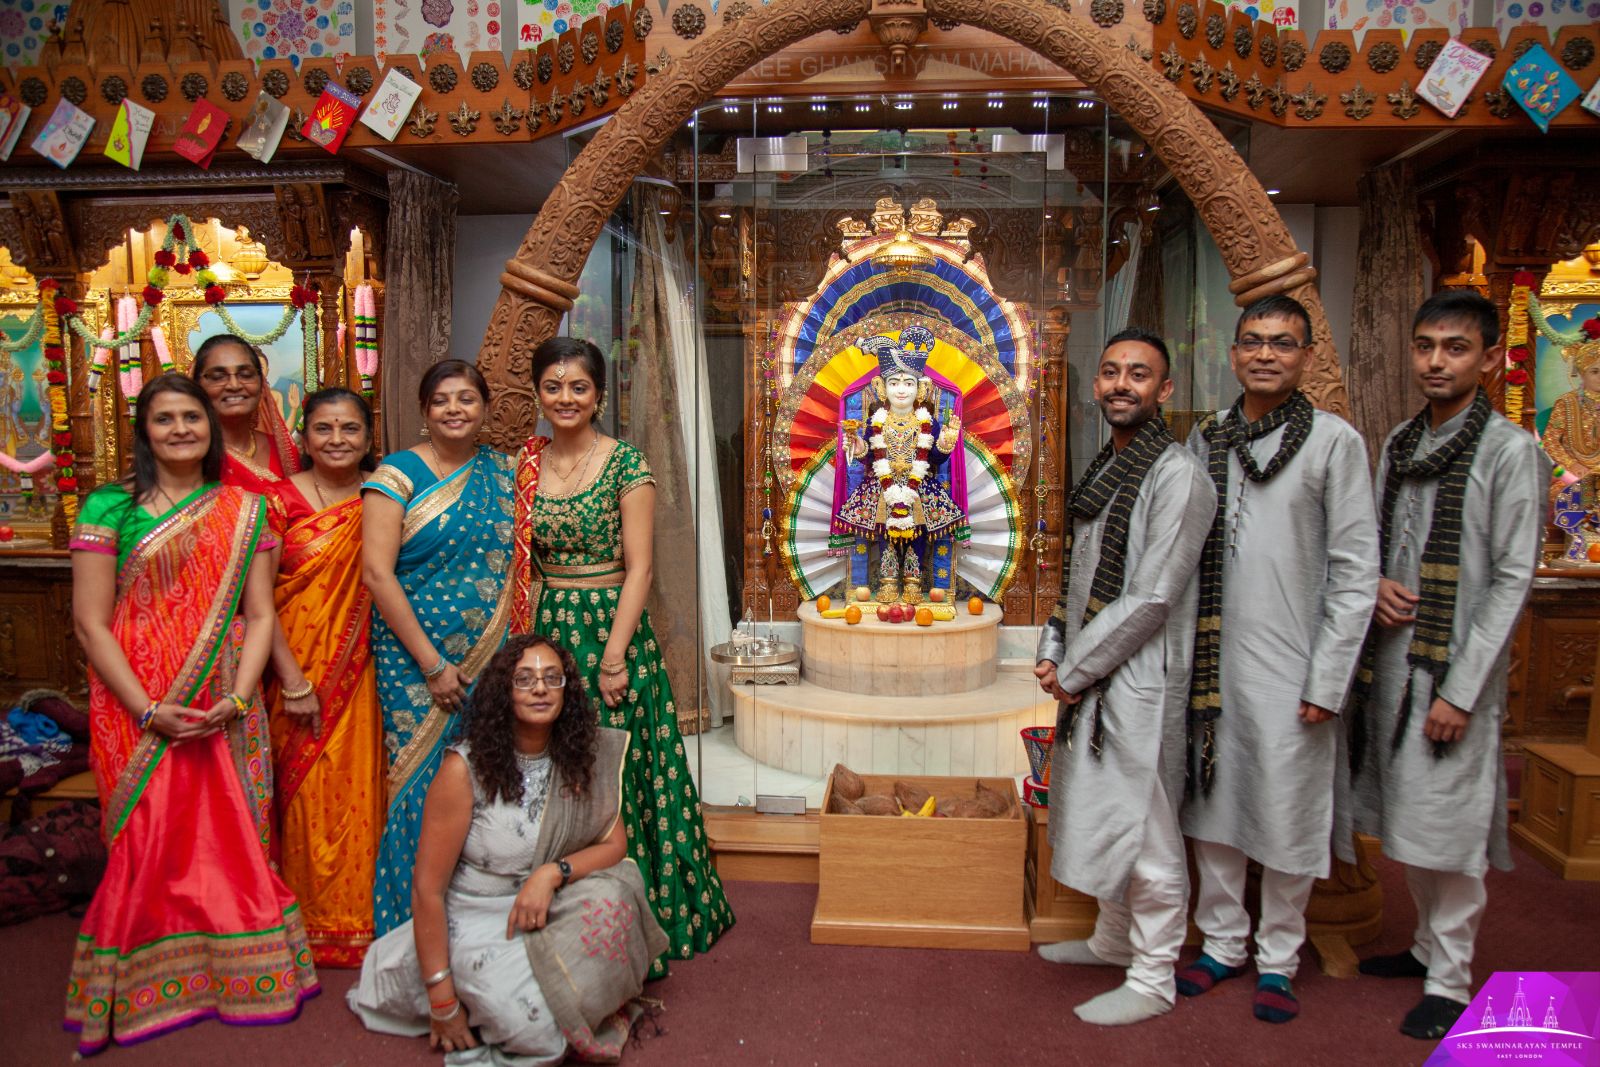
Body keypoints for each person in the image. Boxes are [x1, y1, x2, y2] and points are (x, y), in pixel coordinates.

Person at [64, 374, 317, 1053]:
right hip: (135, 700)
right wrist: (148, 710)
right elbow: (91, 625)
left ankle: (235, 975)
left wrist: (238, 697)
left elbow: (260, 612)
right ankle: (140, 982)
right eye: (165, 418)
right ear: (144, 430)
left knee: (231, 839)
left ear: (211, 430)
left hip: (224, 695)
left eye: (192, 418)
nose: (180, 428)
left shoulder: (246, 507)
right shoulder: (109, 507)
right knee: (147, 840)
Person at [1336, 292, 1549, 1039]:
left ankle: (1452, 980)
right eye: (1425, 345)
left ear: (1490, 357)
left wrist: (1461, 690)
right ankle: (1425, 947)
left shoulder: (1511, 452)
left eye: (1455, 348)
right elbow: (1380, 548)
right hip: (1393, 664)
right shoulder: (1399, 441)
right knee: (1412, 820)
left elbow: (1511, 579)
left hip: (1457, 674)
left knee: (1450, 829)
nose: (1435, 361)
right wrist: (1375, 587)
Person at [1177, 295, 1379, 1023]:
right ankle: (1223, 944)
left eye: (1283, 343)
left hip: (1297, 664)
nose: (1266, 354)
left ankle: (1280, 957)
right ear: (1232, 354)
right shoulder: (1207, 440)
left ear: (1307, 357)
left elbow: (1357, 571)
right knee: (1213, 805)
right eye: (1253, 341)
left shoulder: (1334, 443)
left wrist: (1330, 677)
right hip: (1211, 662)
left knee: (1290, 814)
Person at [509, 337, 732, 976]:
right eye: (553, 387)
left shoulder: (624, 465)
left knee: (625, 765)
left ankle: (643, 919)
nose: (566, 398)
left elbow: (641, 569)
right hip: (548, 632)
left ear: (599, 396)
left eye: (579, 387)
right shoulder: (526, 466)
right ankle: (564, 916)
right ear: (538, 394)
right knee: (557, 766)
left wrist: (613, 657)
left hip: (612, 629)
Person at [349, 634, 668, 1063]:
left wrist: (552, 874)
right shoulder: (463, 771)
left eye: (552, 678)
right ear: (503, 692)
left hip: (545, 903)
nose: (540, 687)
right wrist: (442, 999)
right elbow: (428, 891)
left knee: (616, 894)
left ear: (566, 692)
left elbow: (615, 844)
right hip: (478, 916)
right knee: (538, 1033)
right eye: (525, 679)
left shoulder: (581, 757)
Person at [1033, 329, 1216, 1026]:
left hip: (1142, 680)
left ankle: (1154, 974)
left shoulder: (1178, 476)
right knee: (1104, 814)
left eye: (1138, 374)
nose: (1120, 384)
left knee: (1149, 832)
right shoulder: (1104, 471)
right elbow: (1075, 582)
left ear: (1164, 390)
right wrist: (1056, 648)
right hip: (1094, 672)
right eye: (1110, 371)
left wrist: (1076, 669)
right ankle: (1113, 938)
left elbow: (1153, 596)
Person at [363, 360, 516, 935]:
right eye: (442, 400)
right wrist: (431, 664)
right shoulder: (395, 474)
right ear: (425, 412)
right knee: (418, 786)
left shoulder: (503, 472)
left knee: (486, 782)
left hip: (492, 656)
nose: (455, 409)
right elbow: (377, 575)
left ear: (484, 410)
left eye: (467, 399)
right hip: (414, 663)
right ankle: (408, 930)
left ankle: (478, 925)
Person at [265, 388, 384, 966]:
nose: (337, 440)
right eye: (323, 429)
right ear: (303, 436)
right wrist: (291, 680)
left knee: (361, 792)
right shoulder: (276, 501)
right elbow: (257, 601)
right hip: (295, 670)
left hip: (367, 667)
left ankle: (360, 919)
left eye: (349, 429)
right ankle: (307, 922)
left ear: (368, 436)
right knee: (305, 798)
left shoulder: (385, 492)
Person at [833, 327, 967, 604]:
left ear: (921, 388)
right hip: (884, 486)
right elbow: (870, 454)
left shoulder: (927, 421)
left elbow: (936, 460)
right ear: (882, 387)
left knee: (917, 534)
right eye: (894, 383)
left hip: (920, 486)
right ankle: (888, 580)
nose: (901, 389)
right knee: (885, 534)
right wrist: (859, 448)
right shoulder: (877, 420)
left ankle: (913, 582)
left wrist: (946, 443)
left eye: (908, 383)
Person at [190, 333, 301, 490]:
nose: (234, 385)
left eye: (246, 374)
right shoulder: (189, 454)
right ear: (197, 385)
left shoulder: (283, 452)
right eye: (217, 376)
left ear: (261, 382)